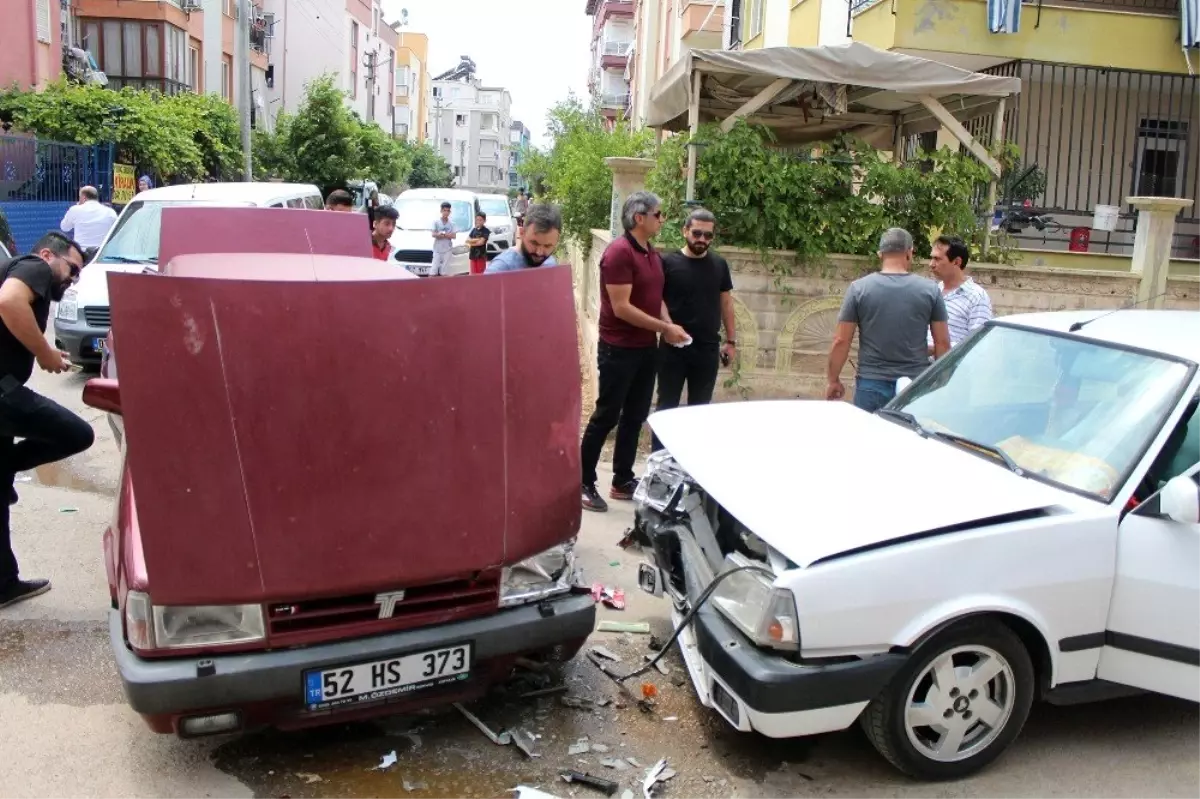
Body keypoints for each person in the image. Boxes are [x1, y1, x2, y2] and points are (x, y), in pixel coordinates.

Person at [0, 232, 96, 609]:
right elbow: (8, 302)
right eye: (72, 268)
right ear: (47, 254)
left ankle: (4, 584)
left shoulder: (20, 271)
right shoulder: (34, 265)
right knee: (78, 433)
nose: (72, 279)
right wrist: (44, 353)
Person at [580, 192, 688, 513]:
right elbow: (622, 307)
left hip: (645, 349)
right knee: (607, 416)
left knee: (635, 417)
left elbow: (656, 298)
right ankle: (583, 481)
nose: (662, 219)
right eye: (659, 214)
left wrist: (667, 323)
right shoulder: (618, 254)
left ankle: (622, 479)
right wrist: (663, 328)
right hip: (619, 349)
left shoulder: (651, 254)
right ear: (639, 218)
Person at [827, 227, 950, 413]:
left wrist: (833, 380)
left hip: (870, 384)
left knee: (871, 441)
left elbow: (841, 341)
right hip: (914, 384)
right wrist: (942, 383)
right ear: (909, 253)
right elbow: (942, 342)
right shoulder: (930, 290)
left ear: (880, 254)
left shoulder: (859, 289)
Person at [651, 208, 736, 451]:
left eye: (708, 235)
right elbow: (657, 299)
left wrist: (731, 341)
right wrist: (668, 327)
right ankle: (660, 467)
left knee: (700, 412)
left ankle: (692, 468)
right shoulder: (666, 262)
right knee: (666, 408)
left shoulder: (719, 265)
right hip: (672, 348)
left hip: (707, 349)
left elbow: (726, 303)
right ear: (685, 231)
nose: (702, 239)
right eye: (697, 233)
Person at [927, 234, 993, 350]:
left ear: (957, 262)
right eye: (931, 258)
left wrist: (936, 348)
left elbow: (978, 343)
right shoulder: (934, 290)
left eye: (937, 259)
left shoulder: (976, 297)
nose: (931, 264)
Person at [485, 204, 561, 272]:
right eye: (534, 243)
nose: (539, 252)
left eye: (547, 246)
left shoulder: (550, 263)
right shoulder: (500, 269)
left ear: (557, 240)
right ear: (521, 233)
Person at [431, 202, 456, 277]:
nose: (446, 212)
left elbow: (454, 236)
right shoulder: (436, 222)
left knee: (444, 271)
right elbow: (433, 234)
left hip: (447, 249)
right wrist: (441, 235)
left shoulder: (452, 223)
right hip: (437, 249)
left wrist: (443, 234)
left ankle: (443, 286)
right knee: (434, 269)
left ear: (450, 212)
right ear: (441, 211)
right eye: (444, 210)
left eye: (448, 211)